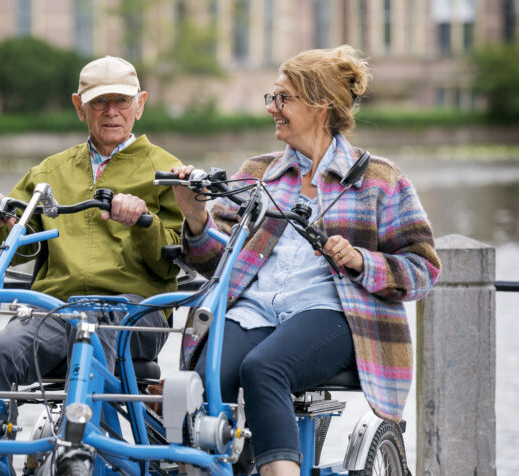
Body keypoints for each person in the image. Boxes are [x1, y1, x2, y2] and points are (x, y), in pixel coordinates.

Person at [172, 45, 441, 476]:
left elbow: (423, 269)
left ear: (320, 107)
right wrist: (195, 216)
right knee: (207, 376)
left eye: (283, 98)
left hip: (334, 313)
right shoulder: (257, 174)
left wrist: (359, 260)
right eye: (272, 98)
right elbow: (214, 264)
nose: (272, 109)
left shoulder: (380, 180)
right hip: (254, 310)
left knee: (263, 369)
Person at [0, 55, 183, 390]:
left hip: (133, 311)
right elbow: (18, 251)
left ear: (140, 104)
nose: (111, 111)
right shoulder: (48, 172)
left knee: (91, 344)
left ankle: (90, 440)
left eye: (122, 100)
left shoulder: (169, 172)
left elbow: (171, 263)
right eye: (99, 101)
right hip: (55, 309)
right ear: (79, 106)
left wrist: (143, 222)